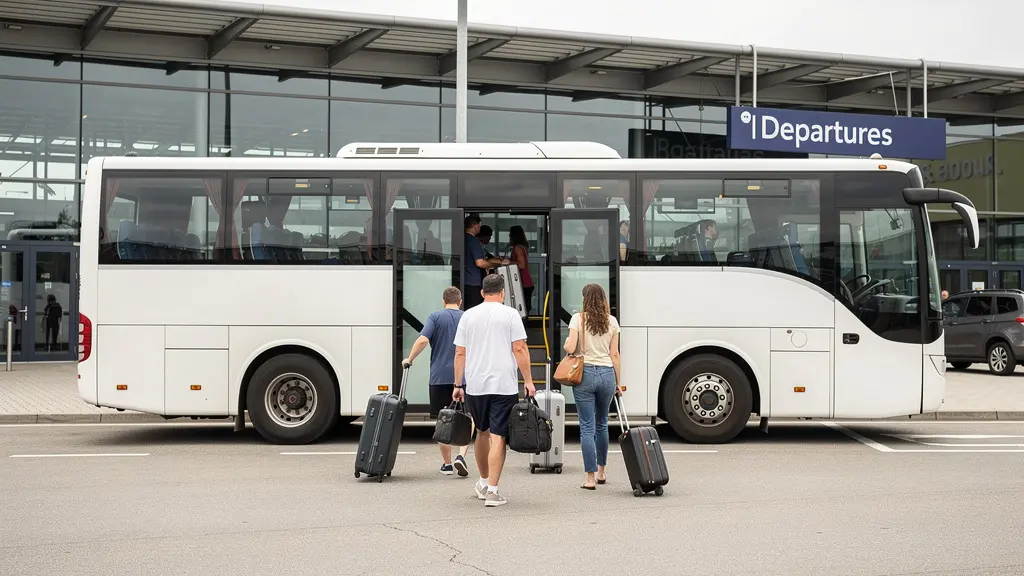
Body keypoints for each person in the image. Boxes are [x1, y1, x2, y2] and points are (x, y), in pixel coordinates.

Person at [453, 273, 534, 507]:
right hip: (503, 385)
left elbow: (459, 353)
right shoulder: (510, 314)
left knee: (481, 432)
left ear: (482, 292)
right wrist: (528, 381)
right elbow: (519, 348)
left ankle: (483, 482)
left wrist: (458, 384)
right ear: (502, 293)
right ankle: (493, 491)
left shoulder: (468, 315)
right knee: (498, 435)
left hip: (476, 385)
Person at [402, 286, 472, 477]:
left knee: (443, 419)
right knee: (467, 417)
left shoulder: (435, 317)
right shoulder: (468, 317)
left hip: (439, 377)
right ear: (460, 302)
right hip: (465, 376)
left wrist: (410, 359)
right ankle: (461, 456)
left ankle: (447, 464)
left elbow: (423, 340)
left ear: (443, 301)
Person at [563, 283, 621, 490]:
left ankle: (590, 478)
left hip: (585, 374)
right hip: (607, 375)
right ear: (603, 299)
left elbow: (570, 347)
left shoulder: (577, 319)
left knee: (587, 426)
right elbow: (615, 354)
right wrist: (618, 383)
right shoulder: (612, 321)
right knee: (602, 424)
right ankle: (602, 472)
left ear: (584, 299)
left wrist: (567, 343)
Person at [464, 214, 507, 309]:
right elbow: (480, 263)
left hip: (464, 281)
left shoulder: (461, 239)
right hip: (473, 283)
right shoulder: (473, 241)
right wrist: (496, 264)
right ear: (475, 226)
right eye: (479, 225)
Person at [506, 225, 534, 316]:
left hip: (523, 283)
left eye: (510, 234)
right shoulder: (522, 247)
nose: (509, 236)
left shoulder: (518, 248)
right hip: (525, 283)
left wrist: (508, 262)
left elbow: (521, 265)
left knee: (521, 310)